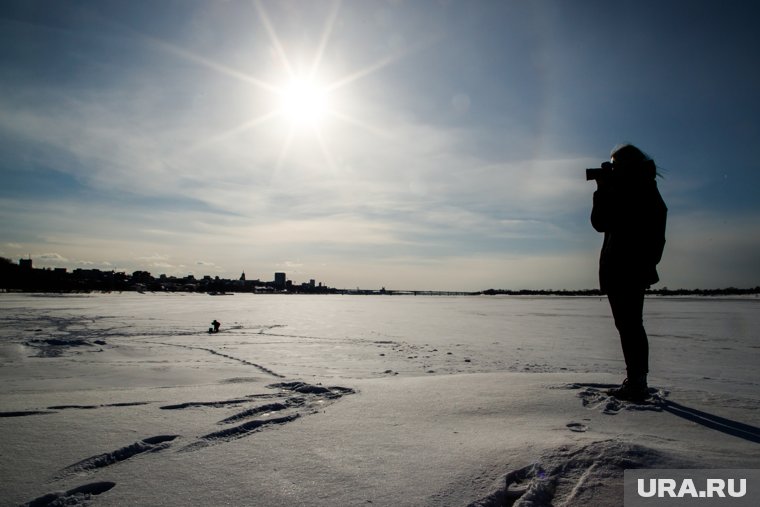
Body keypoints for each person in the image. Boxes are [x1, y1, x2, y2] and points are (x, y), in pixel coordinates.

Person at [590, 144, 667, 402]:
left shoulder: (634, 191)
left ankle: (636, 383)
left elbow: (599, 222)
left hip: (625, 268)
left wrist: (603, 189)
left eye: (615, 166)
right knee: (629, 325)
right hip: (629, 268)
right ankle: (636, 380)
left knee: (630, 325)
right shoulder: (644, 187)